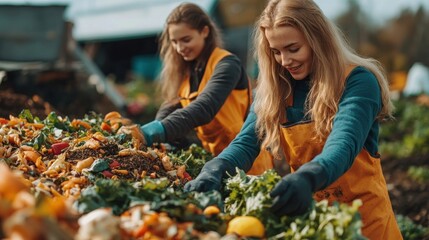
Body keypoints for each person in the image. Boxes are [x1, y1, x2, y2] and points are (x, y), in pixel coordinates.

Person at [184, 0, 403, 239]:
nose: (285, 61)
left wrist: (307, 177)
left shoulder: (358, 81)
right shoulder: (276, 91)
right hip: (313, 223)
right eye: (276, 52)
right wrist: (215, 169)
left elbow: (344, 144)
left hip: (367, 223)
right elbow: (246, 143)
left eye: (293, 48)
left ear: (318, 40)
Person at [139, 2, 272, 174]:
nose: (180, 48)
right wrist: (160, 132)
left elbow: (204, 107)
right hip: (213, 164)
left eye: (186, 40)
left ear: (204, 32)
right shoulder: (188, 73)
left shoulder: (227, 65)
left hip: (247, 164)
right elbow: (173, 107)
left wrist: (152, 132)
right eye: (175, 42)